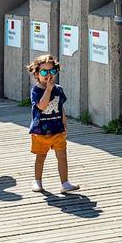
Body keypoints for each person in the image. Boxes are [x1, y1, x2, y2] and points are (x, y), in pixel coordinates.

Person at [27, 54, 78, 194]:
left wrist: (64, 124)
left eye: (52, 71)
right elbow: (41, 106)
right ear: (36, 74)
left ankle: (65, 183)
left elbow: (60, 108)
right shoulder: (36, 91)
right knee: (40, 157)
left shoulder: (58, 89)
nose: (48, 75)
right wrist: (48, 90)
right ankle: (37, 181)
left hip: (57, 129)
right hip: (40, 132)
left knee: (62, 156)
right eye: (44, 72)